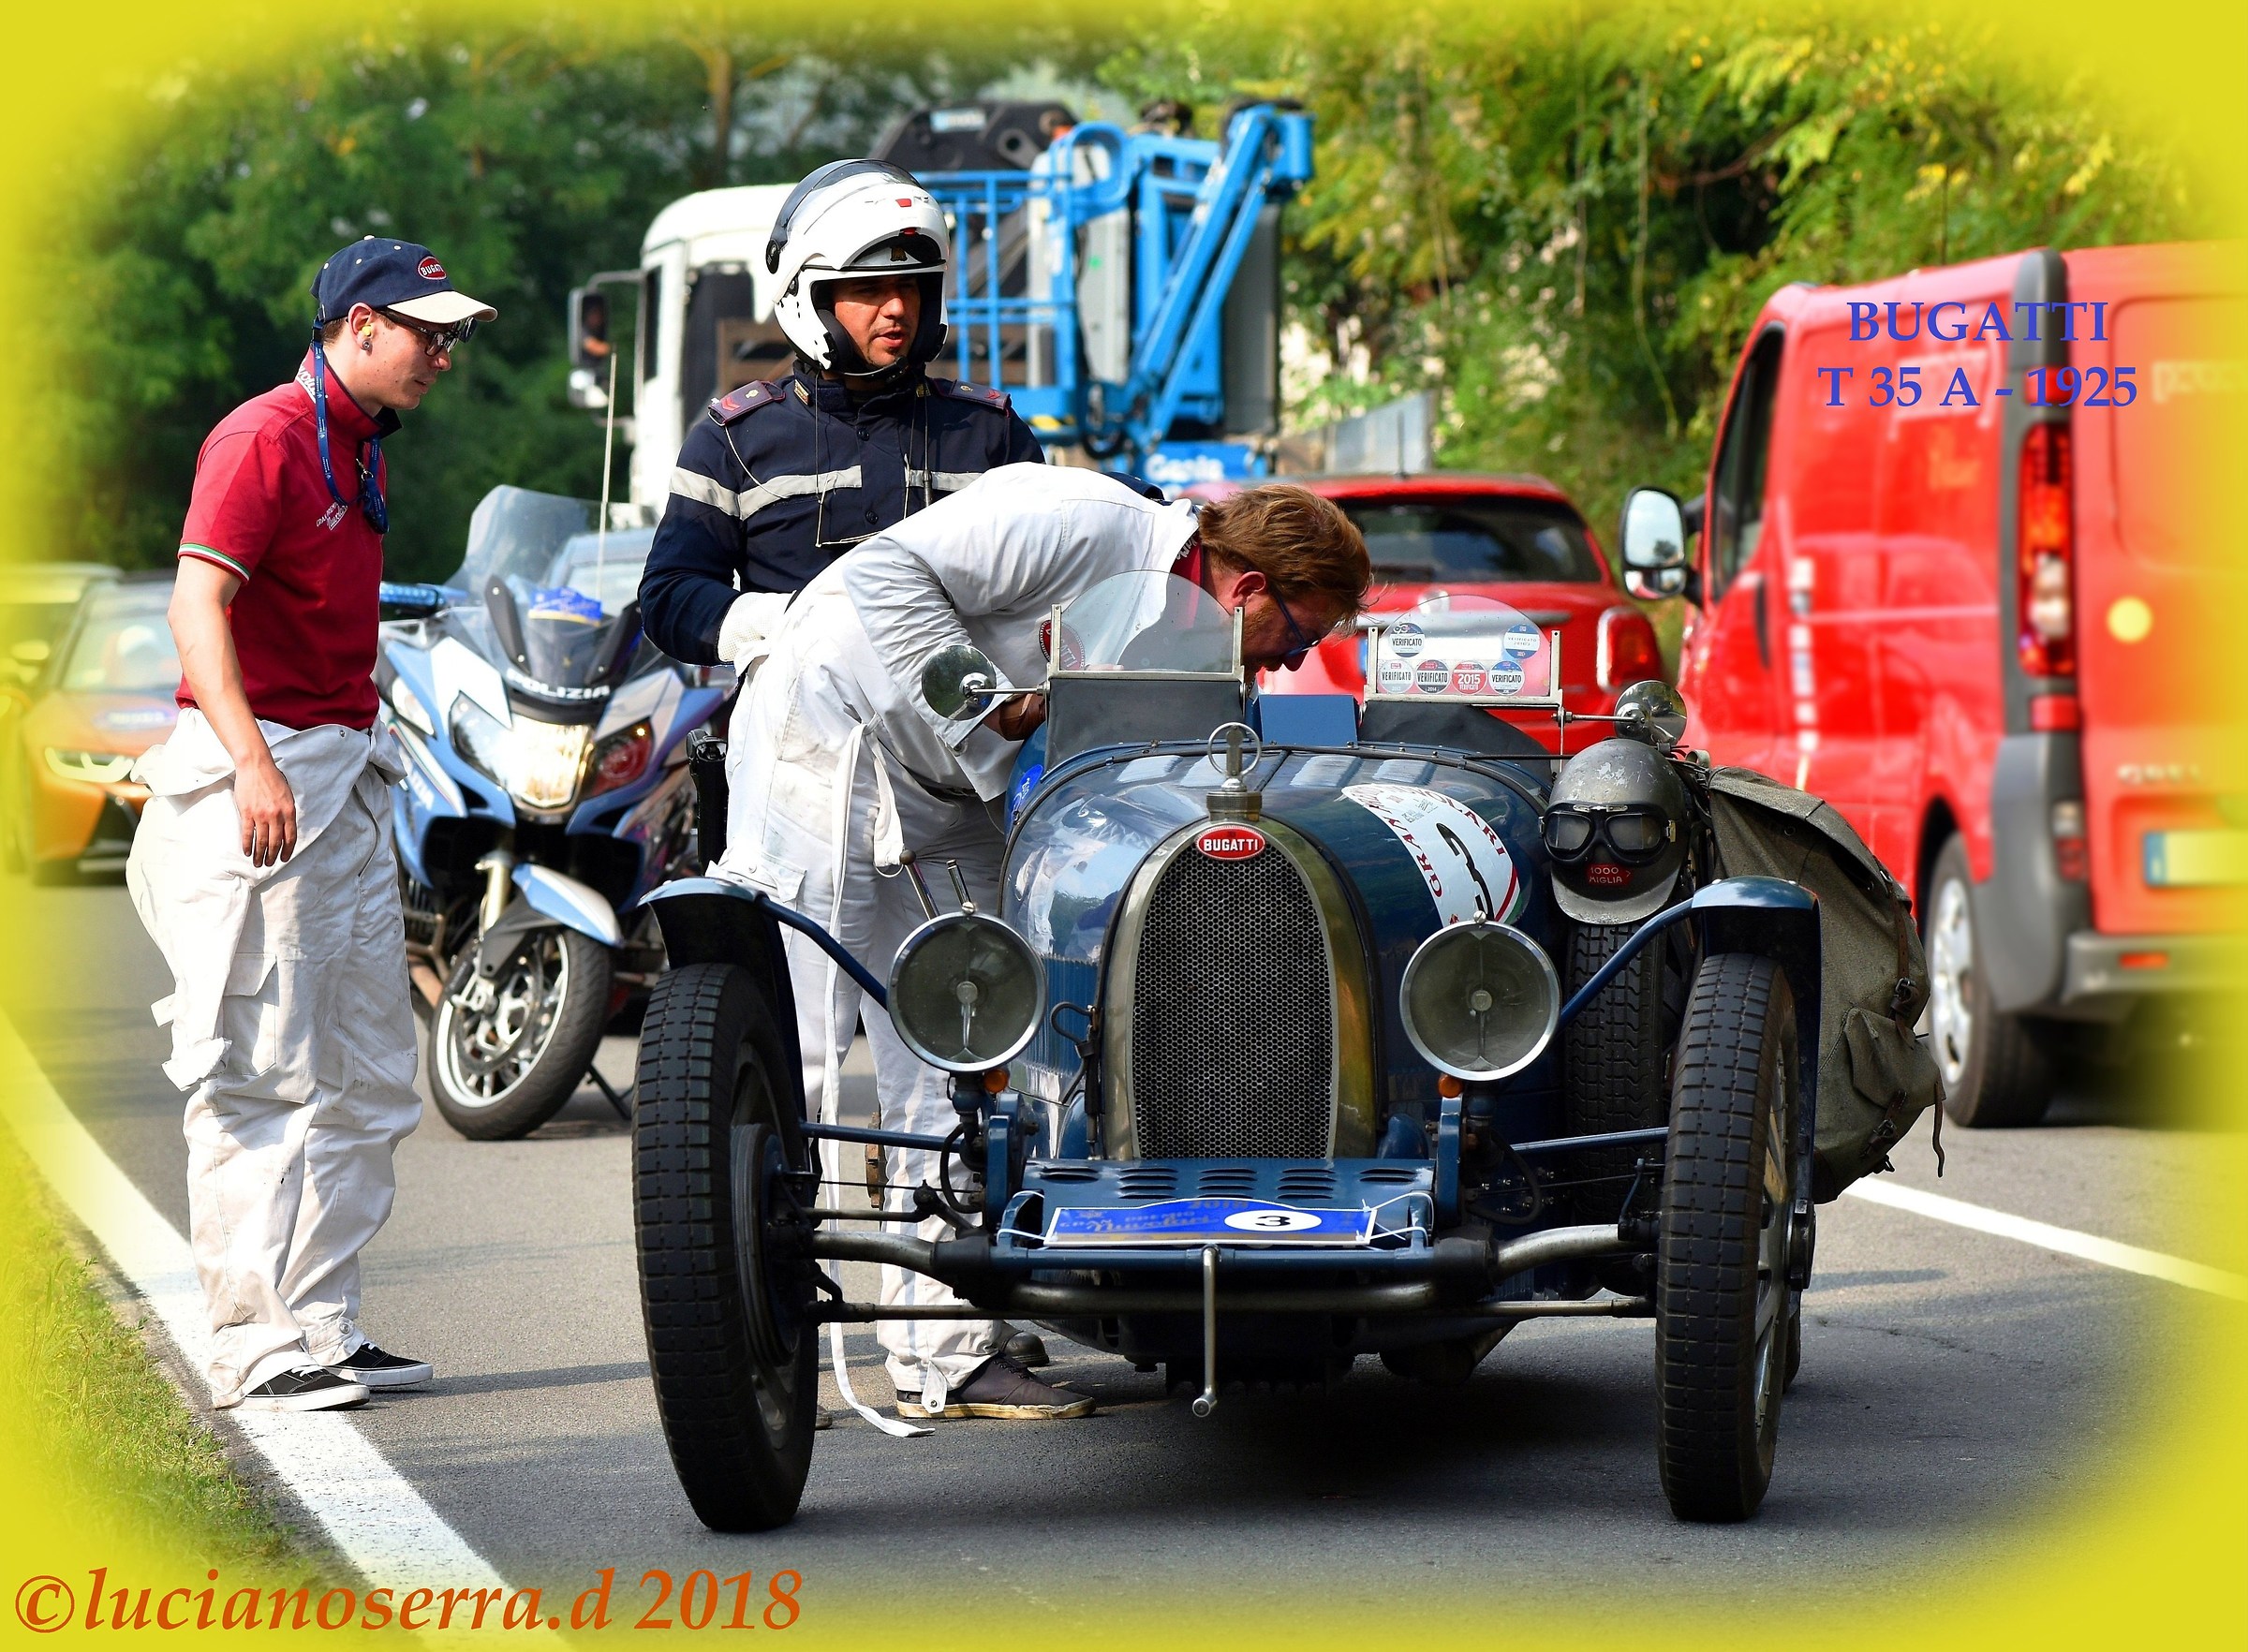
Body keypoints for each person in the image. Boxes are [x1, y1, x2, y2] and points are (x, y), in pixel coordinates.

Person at [722, 465, 1371, 1421]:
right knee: (814, 1056)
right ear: (1248, 589)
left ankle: (941, 1360)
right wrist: (981, 700)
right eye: (1297, 636)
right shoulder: (1081, 522)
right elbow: (889, 570)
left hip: (951, 793)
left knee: (964, 1048)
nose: (1284, 665)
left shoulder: (1194, 641)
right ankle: (758, 1342)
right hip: (827, 742)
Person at [126, 239, 495, 1413]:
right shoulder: (265, 434)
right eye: (427, 329)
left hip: (337, 770)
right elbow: (199, 606)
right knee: (257, 1073)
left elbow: (323, 610)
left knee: (376, 1078)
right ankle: (249, 1341)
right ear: (359, 323)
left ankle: (319, 1321)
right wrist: (249, 764)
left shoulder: (362, 446)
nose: (445, 352)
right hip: (264, 775)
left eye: (454, 333)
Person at [638, 156, 1045, 675]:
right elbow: (669, 596)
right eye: (871, 289)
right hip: (795, 741)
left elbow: (1054, 572)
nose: (897, 308)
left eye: (911, 286)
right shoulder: (734, 440)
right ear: (814, 298)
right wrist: (789, 620)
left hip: (964, 741)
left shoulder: (989, 433)